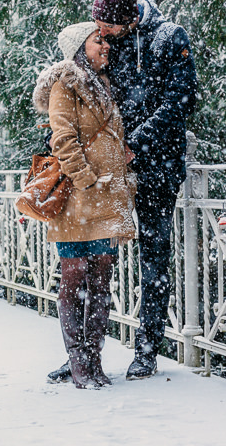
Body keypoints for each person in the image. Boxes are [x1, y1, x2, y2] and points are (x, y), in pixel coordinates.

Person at [47, 0, 198, 382]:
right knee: (93, 262)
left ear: (128, 20)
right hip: (108, 174)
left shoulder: (168, 38)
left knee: (153, 257)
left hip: (156, 168)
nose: (102, 34)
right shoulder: (109, 42)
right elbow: (89, 89)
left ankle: (147, 349)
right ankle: (82, 354)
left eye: (106, 27)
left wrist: (138, 143)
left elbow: (181, 101)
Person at [32, 21, 137, 389]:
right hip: (78, 203)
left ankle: (95, 361)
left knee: (101, 281)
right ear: (80, 47)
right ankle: (79, 365)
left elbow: (106, 133)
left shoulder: (104, 85)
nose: (105, 46)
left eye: (106, 40)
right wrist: (88, 180)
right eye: (99, 40)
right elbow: (63, 140)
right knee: (75, 279)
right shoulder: (65, 85)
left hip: (105, 202)